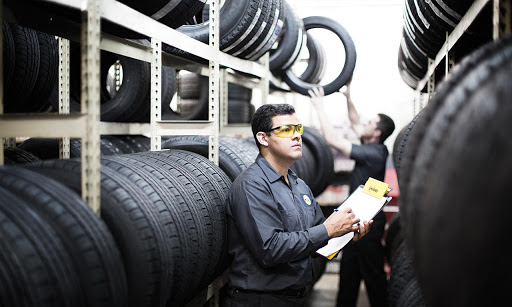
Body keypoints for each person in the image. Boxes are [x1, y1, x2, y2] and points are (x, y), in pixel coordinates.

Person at [221, 103, 373, 307]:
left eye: (298, 128)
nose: (296, 136)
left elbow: (317, 235)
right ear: (263, 138)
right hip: (261, 300)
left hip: (297, 297)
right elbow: (270, 249)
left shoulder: (299, 185)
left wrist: (346, 232)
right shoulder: (252, 185)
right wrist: (329, 230)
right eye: (286, 130)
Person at [309, 81, 395, 307]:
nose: (364, 123)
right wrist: (348, 97)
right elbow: (356, 122)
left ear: (376, 132)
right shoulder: (373, 145)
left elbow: (333, 140)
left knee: (374, 279)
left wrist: (319, 107)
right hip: (354, 223)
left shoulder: (373, 153)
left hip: (367, 226)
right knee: (348, 277)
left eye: (370, 122)